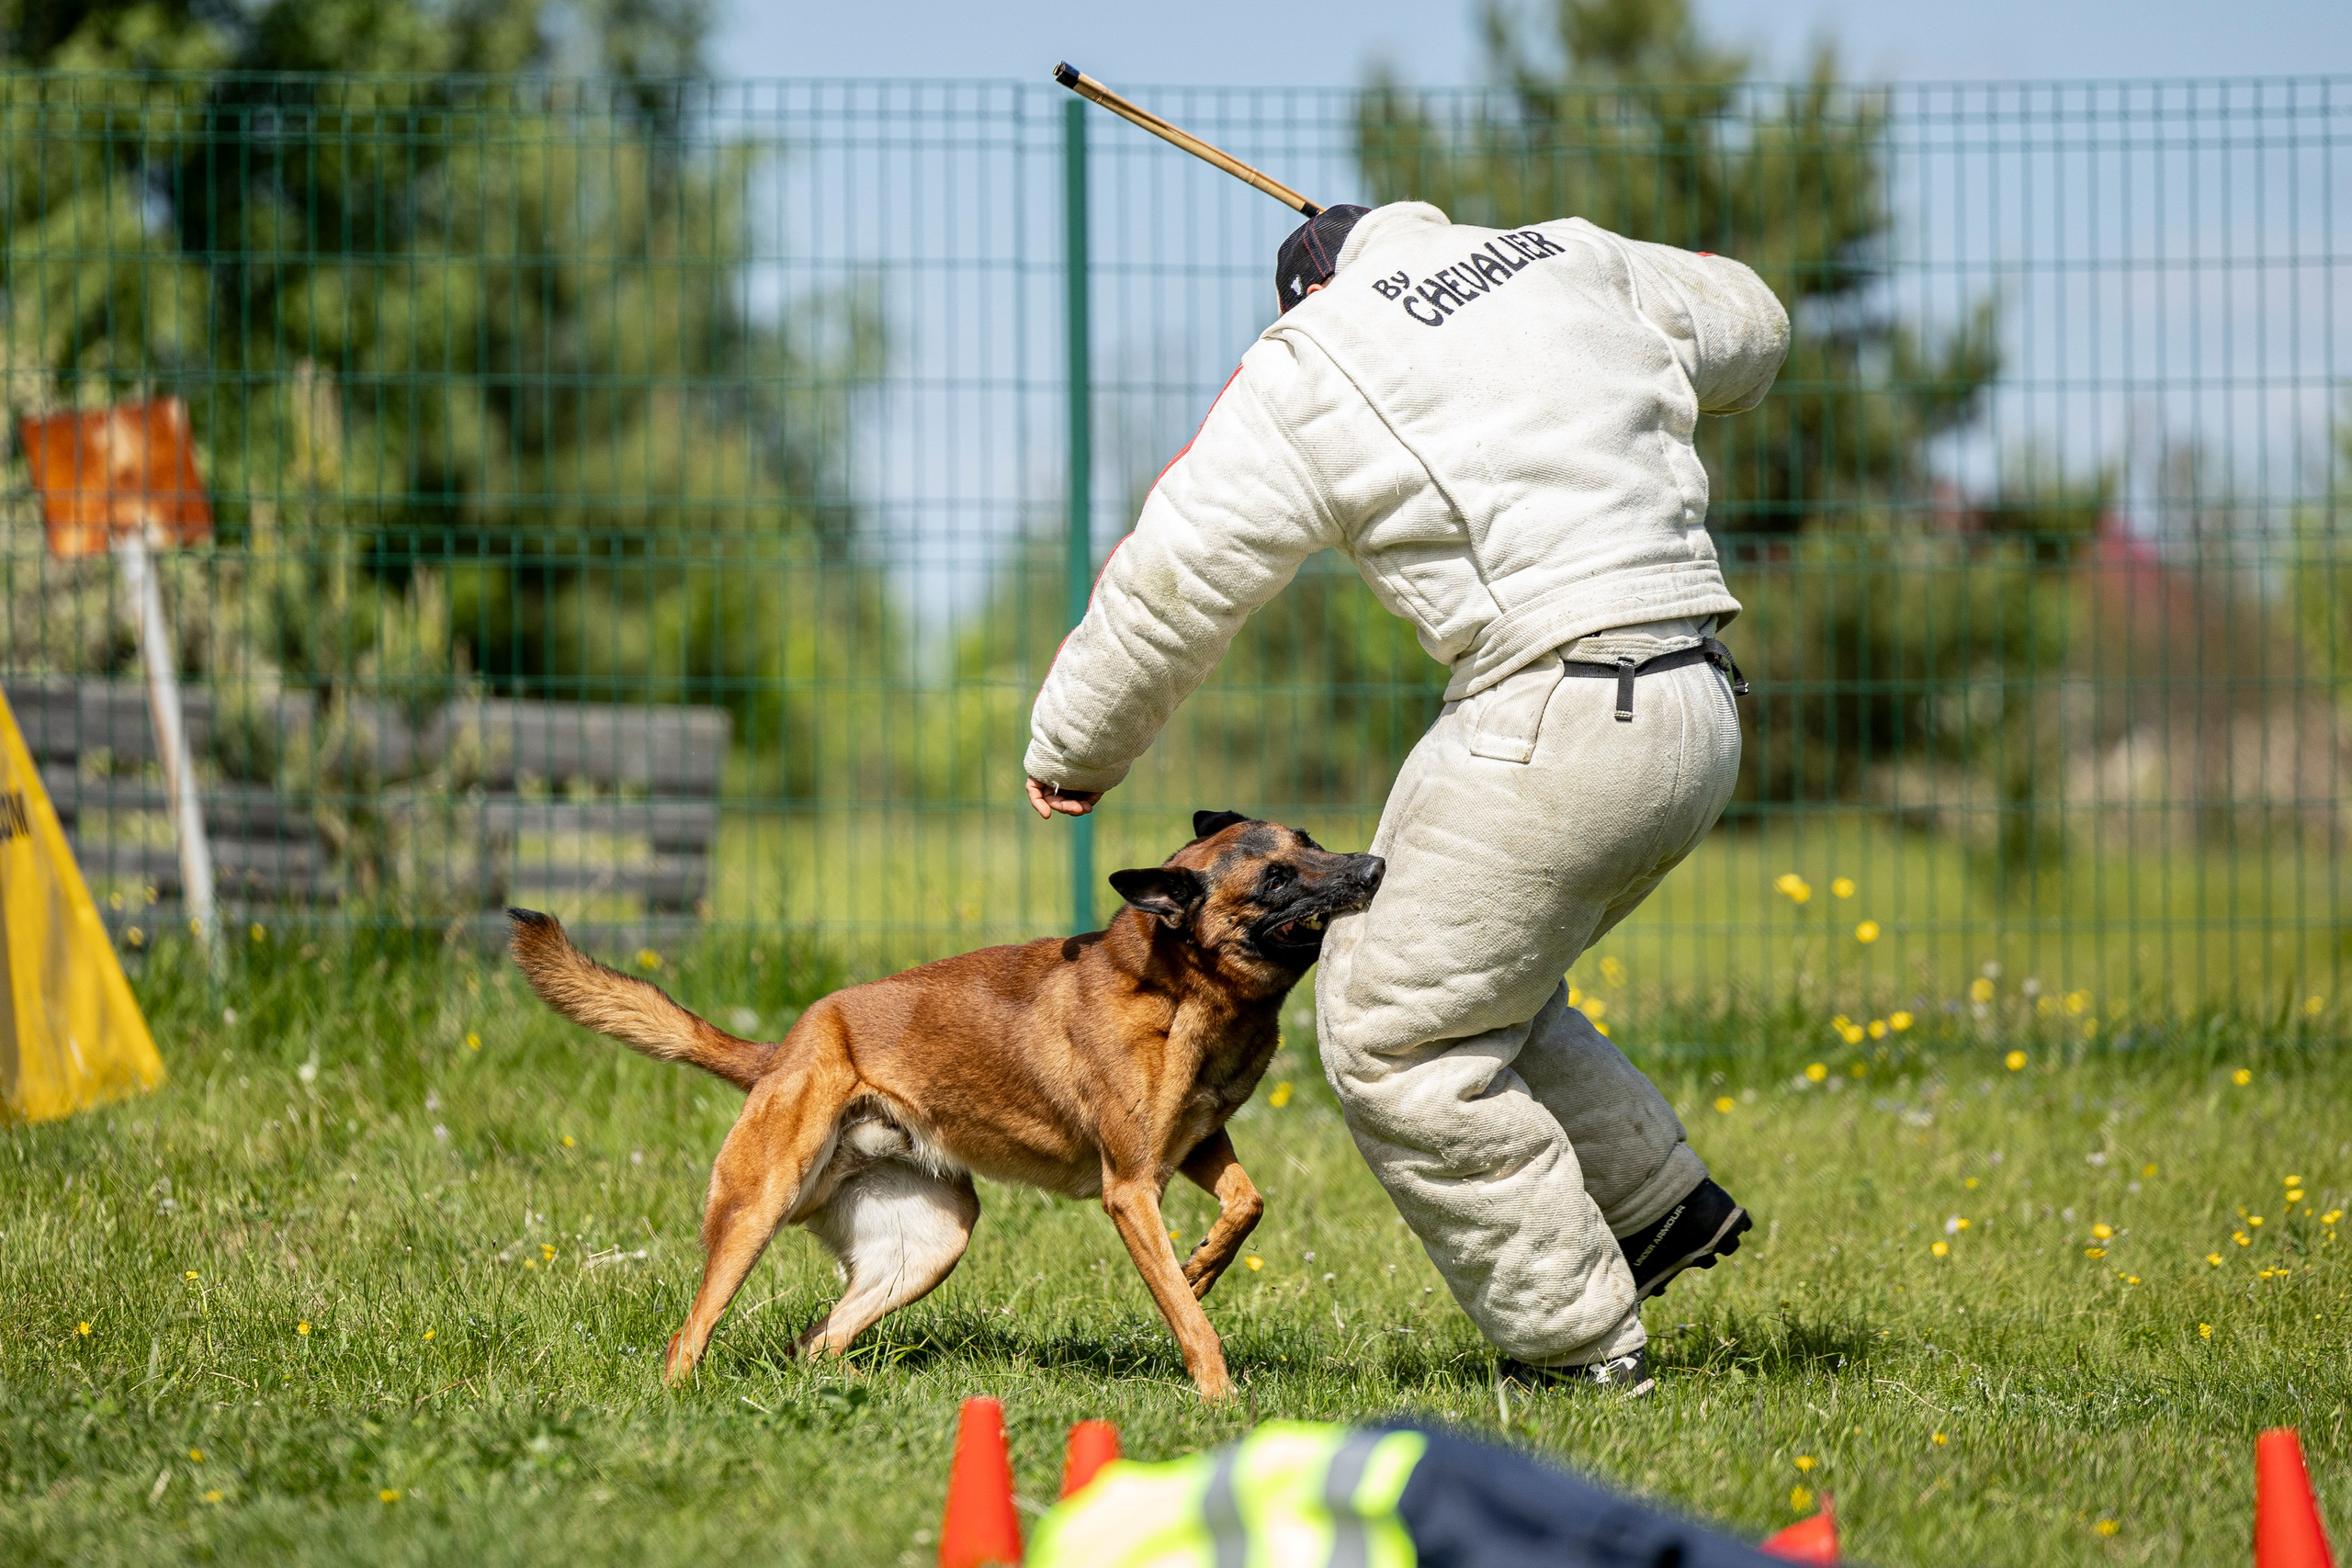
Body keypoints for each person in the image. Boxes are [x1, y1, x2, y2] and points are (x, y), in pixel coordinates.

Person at [1023, 199, 1789, 1391]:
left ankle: (1577, 1353)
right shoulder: (1567, 252)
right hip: (1699, 699)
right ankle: (1651, 1204)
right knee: (1464, 968)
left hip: (1559, 705)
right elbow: (1751, 321)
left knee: (1394, 1031)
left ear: (1305, 293)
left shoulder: (1317, 354)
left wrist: (1076, 741)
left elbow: (1176, 572)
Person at [1024, 1418, 1797, 1568]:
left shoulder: (1087, 1542)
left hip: (1409, 1507)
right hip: (1391, 1468)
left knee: (1632, 1546)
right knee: (1626, 1539)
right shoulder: (1080, 1534)